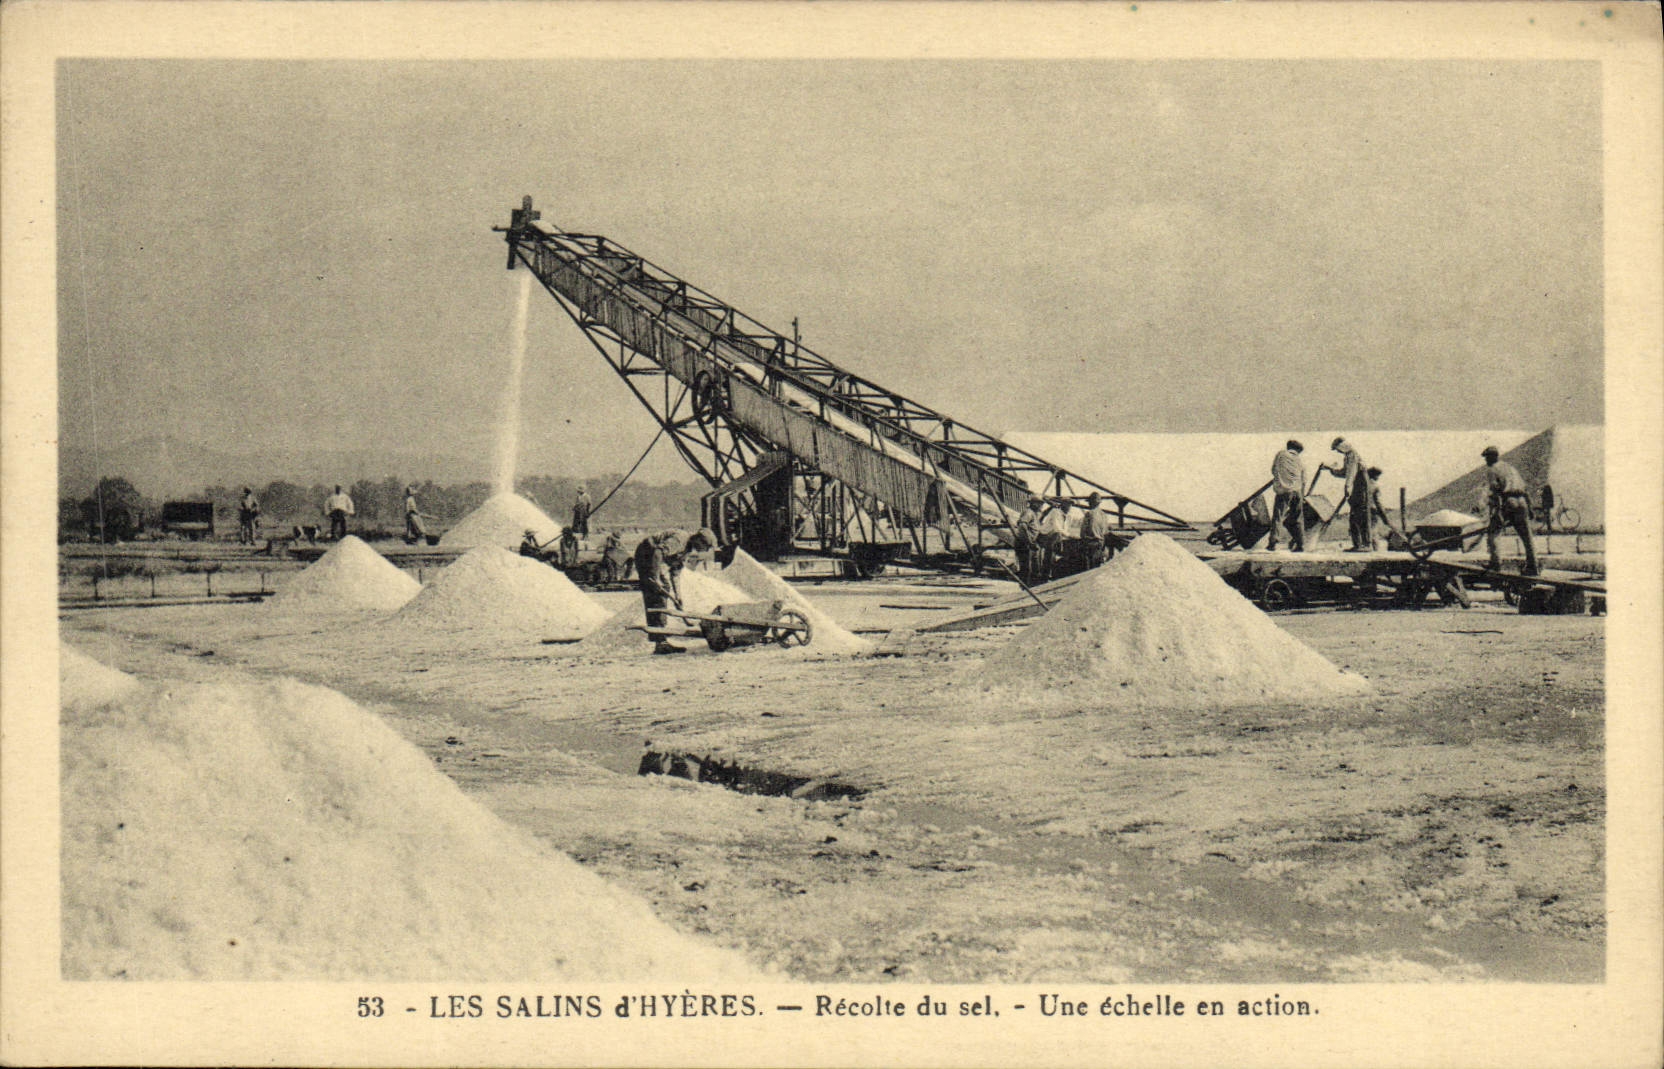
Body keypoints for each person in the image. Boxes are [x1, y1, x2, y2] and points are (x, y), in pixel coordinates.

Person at [1483, 445, 1538, 576]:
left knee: (1493, 531)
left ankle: (1495, 564)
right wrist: (1530, 508)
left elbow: (1496, 492)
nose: (1485, 461)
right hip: (1522, 502)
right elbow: (1525, 489)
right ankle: (1533, 566)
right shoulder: (1510, 468)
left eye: (1486, 458)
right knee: (1527, 536)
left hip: (1509, 502)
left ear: (1492, 457)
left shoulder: (1492, 469)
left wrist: (1497, 512)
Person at [1321, 437, 1373, 552]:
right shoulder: (1349, 457)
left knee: (1360, 515)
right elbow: (1344, 472)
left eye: (1338, 449)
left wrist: (1348, 487)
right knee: (1355, 515)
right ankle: (1360, 544)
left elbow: (1351, 473)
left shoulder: (1352, 455)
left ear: (1342, 446)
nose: (1338, 452)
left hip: (1360, 487)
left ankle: (1365, 545)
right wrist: (1331, 469)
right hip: (1357, 487)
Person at [1265, 441, 1306, 553]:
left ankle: (1273, 543)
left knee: (1278, 516)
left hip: (1284, 491)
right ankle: (1301, 545)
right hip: (1297, 492)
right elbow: (1304, 480)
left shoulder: (1281, 454)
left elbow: (1273, 470)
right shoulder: (1300, 461)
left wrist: (1281, 478)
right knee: (1298, 518)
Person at [1038, 498, 1074, 581]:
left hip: (1056, 536)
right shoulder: (1055, 512)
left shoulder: (1069, 516)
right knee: (1052, 547)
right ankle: (1046, 573)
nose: (1069, 507)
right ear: (1062, 505)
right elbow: (1056, 528)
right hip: (1044, 534)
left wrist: (1068, 536)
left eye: (1070, 505)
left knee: (1065, 544)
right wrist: (1069, 536)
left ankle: (1057, 570)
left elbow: (1065, 529)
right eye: (1067, 504)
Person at [1013, 495, 1044, 583]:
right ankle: (1025, 588)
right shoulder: (1028, 513)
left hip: (1030, 544)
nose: (1041, 506)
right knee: (1026, 569)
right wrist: (1029, 542)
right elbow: (1022, 526)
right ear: (1033, 504)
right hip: (1024, 543)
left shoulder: (1034, 514)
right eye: (1039, 504)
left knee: (1034, 568)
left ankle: (1031, 587)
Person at [1080, 491, 1114, 569]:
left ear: (1091, 503)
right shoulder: (1104, 515)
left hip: (1090, 544)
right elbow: (1105, 532)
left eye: (1089, 502)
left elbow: (1082, 533)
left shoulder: (1089, 514)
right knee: (1096, 569)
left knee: (1088, 569)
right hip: (1100, 544)